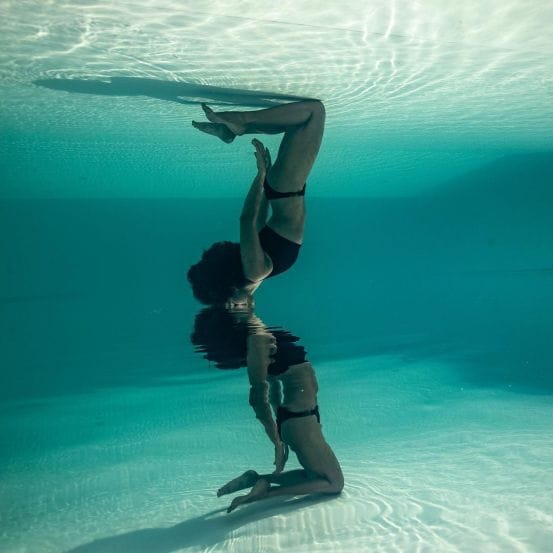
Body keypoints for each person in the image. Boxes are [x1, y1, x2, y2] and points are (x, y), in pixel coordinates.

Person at [187, 100, 325, 308]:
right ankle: (234, 131)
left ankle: (242, 122)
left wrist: (260, 176)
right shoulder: (255, 275)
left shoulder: (255, 272)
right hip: (281, 188)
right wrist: (264, 179)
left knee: (314, 112)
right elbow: (259, 222)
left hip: (286, 187)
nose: (239, 307)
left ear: (230, 289)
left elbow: (247, 221)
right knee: (297, 123)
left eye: (232, 304)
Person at [215, 313, 344, 513]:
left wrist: (283, 432)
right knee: (334, 483)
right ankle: (265, 492)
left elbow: (274, 389)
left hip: (300, 418)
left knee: (314, 476)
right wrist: (277, 441)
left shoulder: (261, 338)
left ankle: (257, 479)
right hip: (300, 419)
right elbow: (258, 398)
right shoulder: (257, 342)